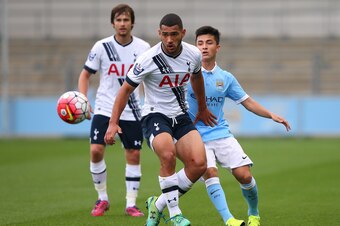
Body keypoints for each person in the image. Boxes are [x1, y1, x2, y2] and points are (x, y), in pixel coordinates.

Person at [104, 13, 216, 226]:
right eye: (165, 35)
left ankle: (158, 204)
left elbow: (196, 77)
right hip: (155, 115)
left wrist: (202, 108)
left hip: (180, 116)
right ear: (159, 34)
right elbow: (125, 90)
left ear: (183, 33)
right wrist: (113, 122)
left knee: (199, 164)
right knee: (168, 155)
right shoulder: (147, 59)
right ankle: (175, 214)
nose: (170, 40)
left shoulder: (193, 54)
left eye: (174, 34)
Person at [187, 26, 291, 226]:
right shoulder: (185, 75)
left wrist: (271, 115)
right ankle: (229, 220)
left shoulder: (225, 78)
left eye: (209, 43)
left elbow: (247, 102)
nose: (204, 47)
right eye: (200, 43)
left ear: (218, 47)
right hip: (195, 136)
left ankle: (254, 213)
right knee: (210, 172)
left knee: (244, 175)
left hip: (221, 133)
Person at [78, 4, 150, 217]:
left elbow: (149, 78)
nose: (122, 24)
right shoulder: (101, 47)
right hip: (104, 107)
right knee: (96, 150)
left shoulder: (143, 47)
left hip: (133, 109)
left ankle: (131, 204)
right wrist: (83, 99)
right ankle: (102, 199)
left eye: (126, 20)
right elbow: (85, 75)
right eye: (118, 20)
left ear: (132, 23)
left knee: (134, 153)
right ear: (112, 23)